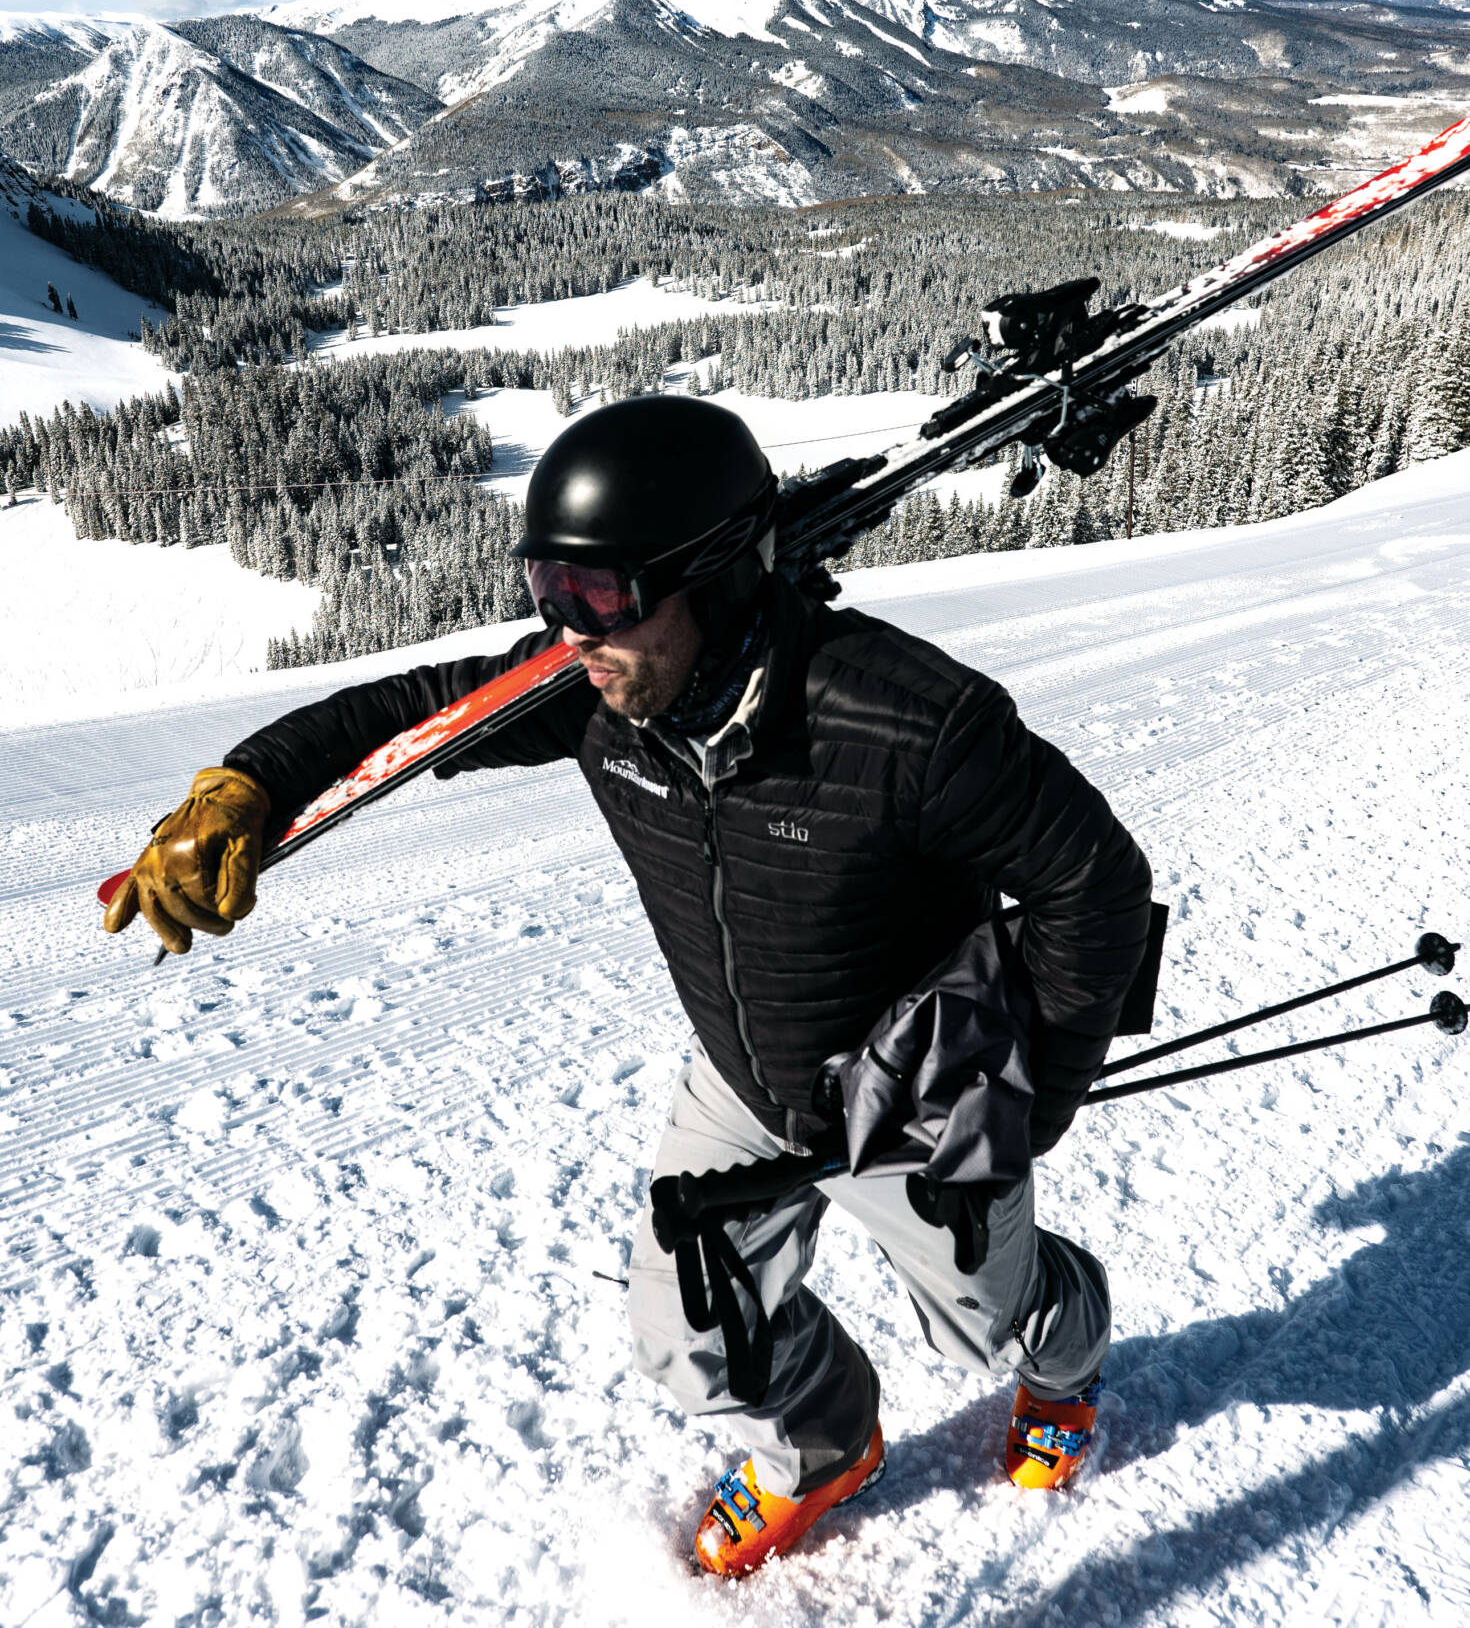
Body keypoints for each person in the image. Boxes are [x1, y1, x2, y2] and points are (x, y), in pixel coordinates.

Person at [105, 395, 1153, 1579]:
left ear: (712, 579)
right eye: (550, 592)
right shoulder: (595, 695)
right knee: (686, 1339)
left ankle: (1064, 1370)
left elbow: (1097, 888)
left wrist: (1029, 1104)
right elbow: (407, 713)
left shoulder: (909, 722)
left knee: (993, 1321)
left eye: (598, 597)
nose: (568, 633)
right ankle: (826, 1444)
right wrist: (244, 786)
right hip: (743, 1081)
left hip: (914, 1094)